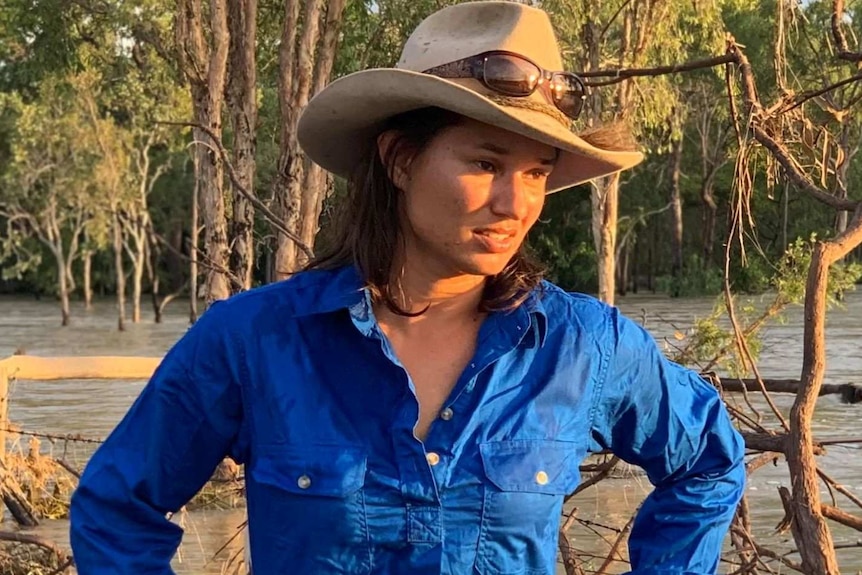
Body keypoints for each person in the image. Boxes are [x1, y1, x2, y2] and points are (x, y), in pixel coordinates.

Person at [69, 2, 746, 574]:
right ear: (400, 159)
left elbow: (709, 462)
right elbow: (115, 505)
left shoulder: (583, 346)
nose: (516, 203)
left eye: (537, 173)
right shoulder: (254, 341)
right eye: (485, 163)